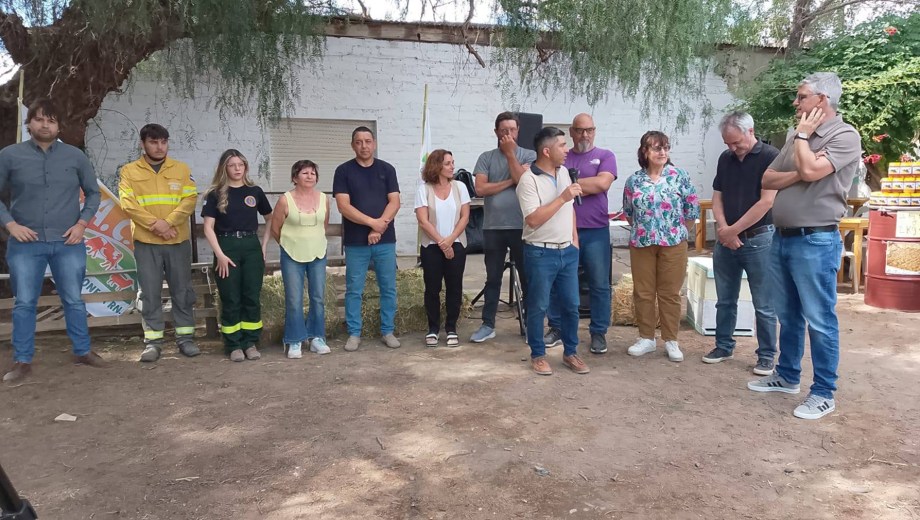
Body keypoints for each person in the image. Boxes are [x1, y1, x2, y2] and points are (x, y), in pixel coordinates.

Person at [748, 72, 861, 420]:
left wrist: (802, 143)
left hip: (816, 239)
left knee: (820, 319)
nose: (795, 103)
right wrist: (801, 164)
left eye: (802, 97)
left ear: (822, 100)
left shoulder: (844, 135)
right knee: (789, 315)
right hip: (783, 237)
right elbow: (768, 178)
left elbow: (813, 173)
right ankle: (787, 376)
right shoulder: (798, 135)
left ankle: (824, 393)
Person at [0, 98, 107, 382]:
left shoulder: (75, 157)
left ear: (59, 126)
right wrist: (11, 225)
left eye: (51, 120)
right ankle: (22, 360)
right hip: (26, 243)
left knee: (73, 299)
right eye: (39, 119)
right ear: (29, 123)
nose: (45, 125)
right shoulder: (9, 156)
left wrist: (82, 224)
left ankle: (82, 351)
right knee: (25, 302)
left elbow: (93, 193)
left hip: (67, 242)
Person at [702, 112, 780, 375]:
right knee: (725, 299)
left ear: (750, 131)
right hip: (727, 239)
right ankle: (723, 345)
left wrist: (732, 231)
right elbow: (717, 197)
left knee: (764, 303)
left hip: (759, 238)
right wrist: (723, 229)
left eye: (736, 142)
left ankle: (766, 355)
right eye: (728, 143)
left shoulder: (771, 156)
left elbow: (766, 201)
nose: (733, 148)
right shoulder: (725, 158)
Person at [119, 123, 199, 362]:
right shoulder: (129, 171)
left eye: (163, 142)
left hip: (177, 241)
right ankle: (153, 342)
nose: (159, 147)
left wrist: (169, 223)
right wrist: (156, 225)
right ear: (142, 144)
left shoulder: (181, 169)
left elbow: (189, 200)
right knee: (150, 293)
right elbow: (128, 204)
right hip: (147, 243)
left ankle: (186, 339)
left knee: (182, 291)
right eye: (153, 142)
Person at [622, 131, 700, 362]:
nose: (663, 152)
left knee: (670, 293)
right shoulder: (634, 181)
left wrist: (676, 231)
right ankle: (646, 337)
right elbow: (629, 213)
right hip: (642, 242)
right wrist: (646, 228)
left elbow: (691, 210)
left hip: (673, 243)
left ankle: (671, 340)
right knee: (643, 291)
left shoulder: (679, 176)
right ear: (645, 152)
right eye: (657, 148)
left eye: (666, 147)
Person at [516, 127, 588, 376]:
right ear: (546, 151)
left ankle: (571, 352)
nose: (567, 150)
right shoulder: (528, 180)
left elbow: (571, 210)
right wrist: (563, 197)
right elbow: (533, 219)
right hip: (540, 252)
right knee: (538, 306)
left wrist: (574, 239)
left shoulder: (565, 172)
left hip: (567, 250)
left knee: (571, 305)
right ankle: (538, 355)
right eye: (562, 145)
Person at [544, 113, 617, 354]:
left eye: (589, 130)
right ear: (572, 132)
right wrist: (584, 185)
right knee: (560, 281)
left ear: (594, 131)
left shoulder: (606, 156)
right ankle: (557, 328)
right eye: (579, 130)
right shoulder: (562, 156)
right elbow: (550, 186)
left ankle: (598, 332)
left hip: (596, 230)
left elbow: (602, 184)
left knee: (599, 283)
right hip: (563, 229)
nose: (585, 135)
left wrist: (568, 186)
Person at [332, 127, 401, 352]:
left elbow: (394, 202)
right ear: (353, 145)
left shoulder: (387, 169)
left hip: (385, 241)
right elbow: (343, 206)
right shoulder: (343, 171)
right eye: (359, 142)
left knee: (388, 287)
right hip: (356, 242)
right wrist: (373, 223)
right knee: (354, 289)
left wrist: (380, 227)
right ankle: (354, 333)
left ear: (374, 143)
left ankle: (387, 330)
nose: (364, 146)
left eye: (368, 141)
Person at [470, 112, 536, 343]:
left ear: (518, 131)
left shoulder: (530, 155)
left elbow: (526, 182)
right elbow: (480, 189)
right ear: (496, 132)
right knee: (493, 278)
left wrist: (509, 155)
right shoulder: (486, 157)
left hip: (522, 227)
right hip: (493, 227)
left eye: (512, 129)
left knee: (527, 278)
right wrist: (512, 180)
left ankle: (530, 323)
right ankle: (488, 324)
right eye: (504, 130)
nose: (508, 134)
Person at [201, 149, 272, 362]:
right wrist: (220, 255)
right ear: (225, 168)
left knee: (251, 296)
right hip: (227, 246)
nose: (237, 169)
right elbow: (208, 228)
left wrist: (264, 245)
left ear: (246, 167)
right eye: (232, 165)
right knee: (231, 297)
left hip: (251, 246)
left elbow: (270, 218)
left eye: (241, 164)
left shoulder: (255, 191)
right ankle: (233, 344)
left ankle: (250, 342)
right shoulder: (215, 194)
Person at [271, 160, 331, 359]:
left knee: (318, 297)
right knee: (294, 299)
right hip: (292, 254)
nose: (309, 176)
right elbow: (276, 229)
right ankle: (295, 339)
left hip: (318, 253)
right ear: (295, 177)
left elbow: (324, 225)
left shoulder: (324, 199)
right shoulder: (285, 200)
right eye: (305, 173)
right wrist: (290, 244)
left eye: (313, 173)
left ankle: (316, 337)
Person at [415, 149, 471, 347]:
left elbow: (465, 216)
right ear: (436, 166)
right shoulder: (424, 189)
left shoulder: (460, 187)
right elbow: (423, 221)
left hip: (457, 244)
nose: (452, 166)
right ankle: (433, 328)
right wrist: (442, 242)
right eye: (448, 163)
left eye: (452, 162)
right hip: (431, 247)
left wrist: (450, 240)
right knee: (432, 288)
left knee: (455, 287)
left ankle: (451, 328)